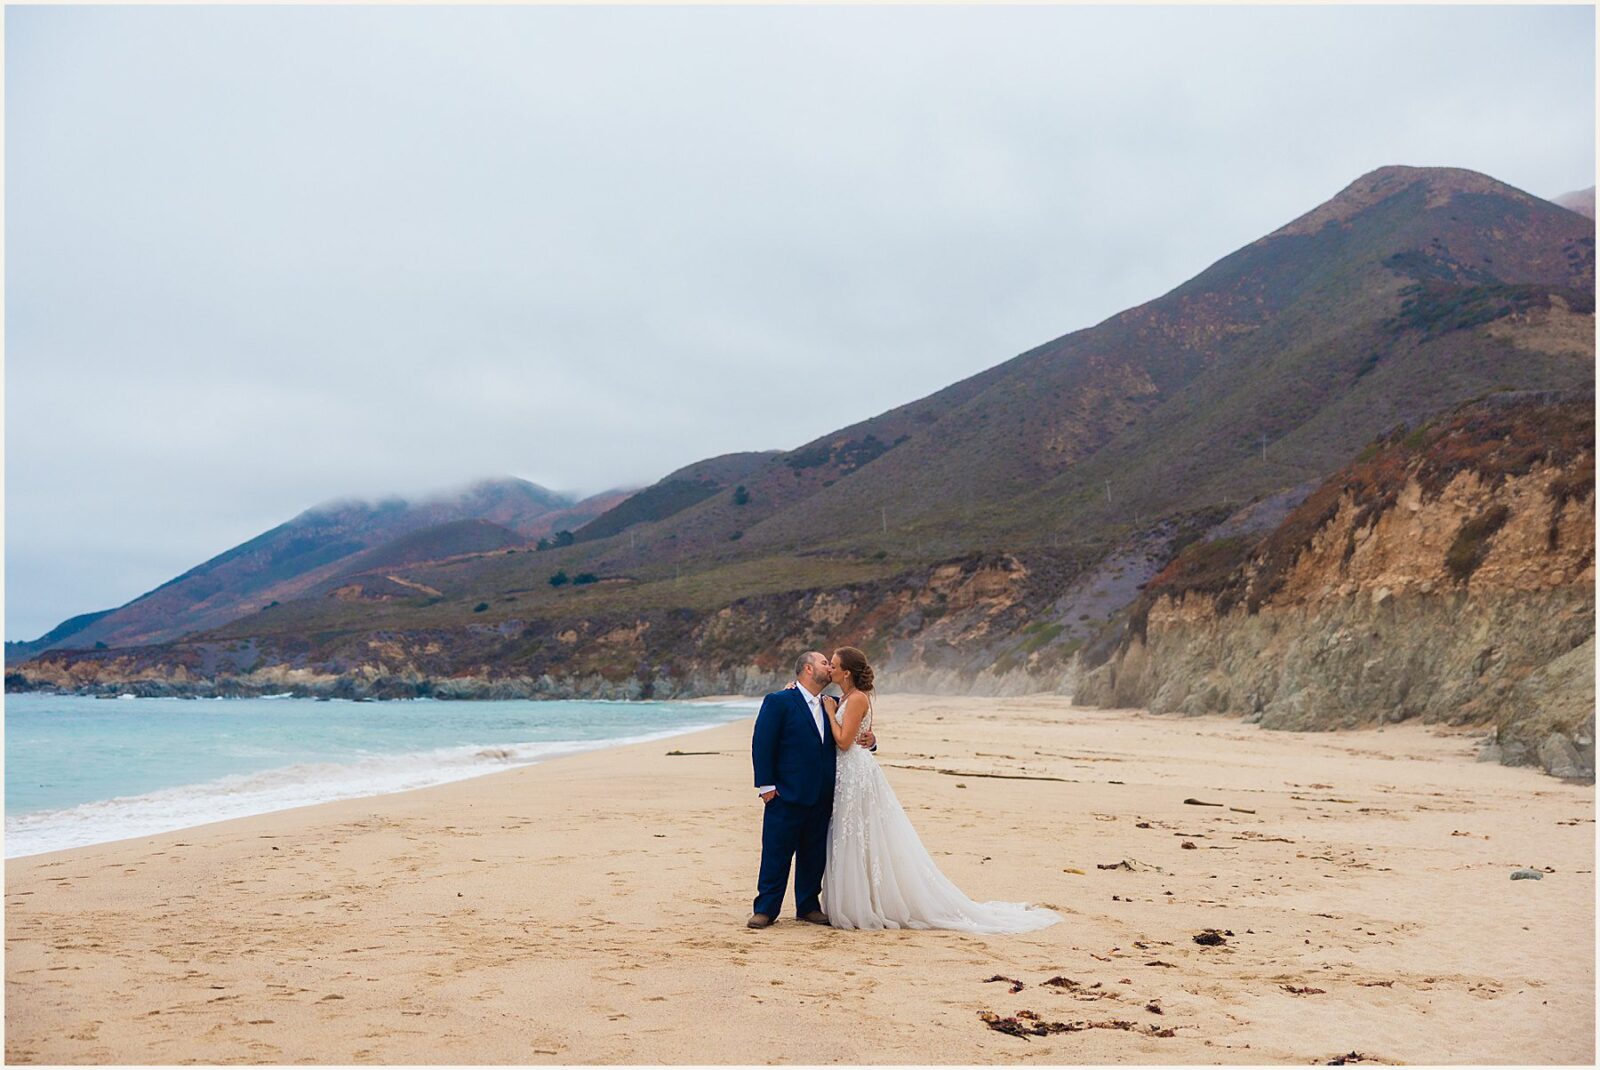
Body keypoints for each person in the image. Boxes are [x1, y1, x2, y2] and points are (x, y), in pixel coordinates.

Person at [819, 646, 1062, 932]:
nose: (829, 669)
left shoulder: (855, 698)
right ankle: (861, 898)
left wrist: (831, 712)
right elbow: (859, 733)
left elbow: (845, 741)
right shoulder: (846, 697)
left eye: (833, 665)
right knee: (855, 835)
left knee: (859, 834)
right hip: (849, 772)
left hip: (855, 773)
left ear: (846, 672)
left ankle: (868, 903)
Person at [747, 650, 874, 929]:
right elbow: (762, 743)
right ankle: (766, 909)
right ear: (807, 669)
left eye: (831, 663)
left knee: (814, 854)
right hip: (785, 794)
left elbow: (854, 732)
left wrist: (872, 740)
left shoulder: (837, 703)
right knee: (776, 853)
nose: (830, 667)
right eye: (824, 662)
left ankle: (807, 906)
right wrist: (766, 786)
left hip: (823, 794)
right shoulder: (780, 700)